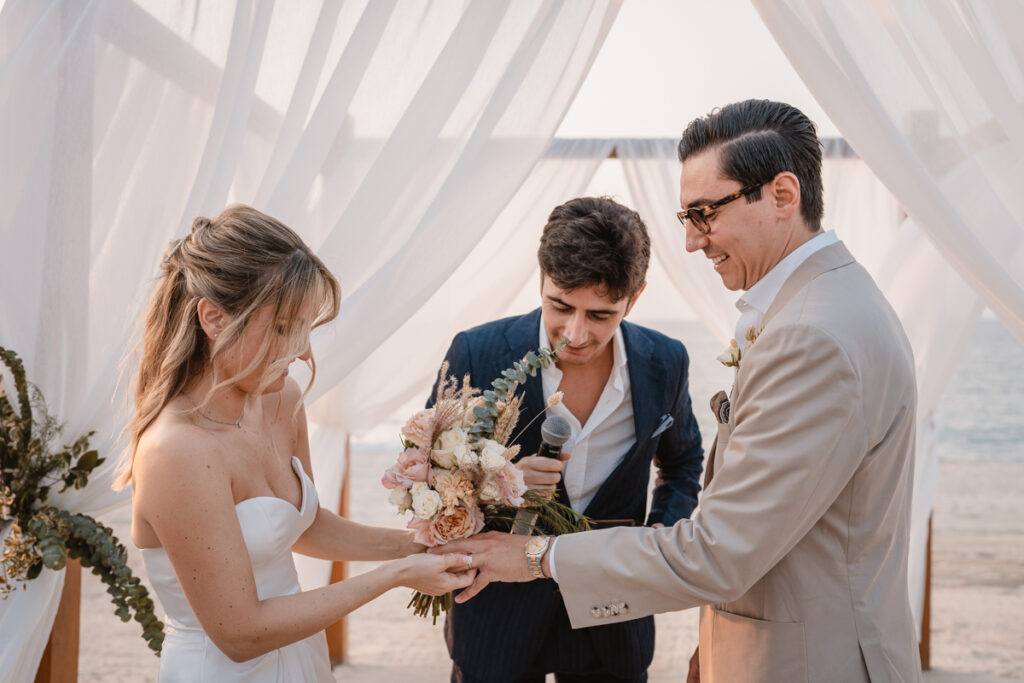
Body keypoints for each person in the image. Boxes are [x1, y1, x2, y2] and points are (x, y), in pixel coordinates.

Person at [436, 100, 923, 683]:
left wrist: (541, 556)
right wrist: (719, 642)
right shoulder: (828, 306)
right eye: (685, 216)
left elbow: (714, 540)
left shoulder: (810, 335)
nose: (692, 241)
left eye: (704, 213)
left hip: (806, 658)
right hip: (506, 634)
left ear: (782, 195)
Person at [116, 205, 474, 682]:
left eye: (306, 326)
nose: (304, 350)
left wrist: (418, 547)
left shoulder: (279, 399)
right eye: (284, 327)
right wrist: (397, 577)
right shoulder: (177, 450)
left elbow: (306, 527)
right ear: (214, 318)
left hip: (301, 657)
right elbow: (239, 634)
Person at [429, 196, 705, 683]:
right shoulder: (476, 351)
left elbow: (683, 462)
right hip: (498, 614)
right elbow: (426, 476)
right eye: (561, 306)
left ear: (635, 298)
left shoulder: (666, 361)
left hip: (613, 611)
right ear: (541, 278)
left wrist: (659, 532)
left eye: (600, 315)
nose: (574, 333)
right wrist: (500, 482)